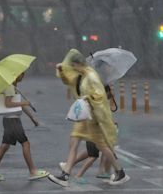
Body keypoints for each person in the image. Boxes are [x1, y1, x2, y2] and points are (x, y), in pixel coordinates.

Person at [48, 49, 130, 187]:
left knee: (102, 146)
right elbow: (69, 81)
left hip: (94, 117)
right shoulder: (83, 75)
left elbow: (99, 96)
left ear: (78, 64)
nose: (72, 69)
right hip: (85, 115)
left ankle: (120, 172)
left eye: (73, 66)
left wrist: (88, 98)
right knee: (74, 140)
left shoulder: (91, 77)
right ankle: (65, 175)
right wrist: (61, 71)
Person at [0, 73, 49, 181]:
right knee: (25, 143)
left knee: (5, 146)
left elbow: (17, 104)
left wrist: (32, 118)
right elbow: (8, 104)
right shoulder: (9, 87)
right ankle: (33, 171)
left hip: (8, 120)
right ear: (16, 75)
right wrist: (25, 102)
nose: (23, 76)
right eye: (22, 74)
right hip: (12, 120)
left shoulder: (11, 86)